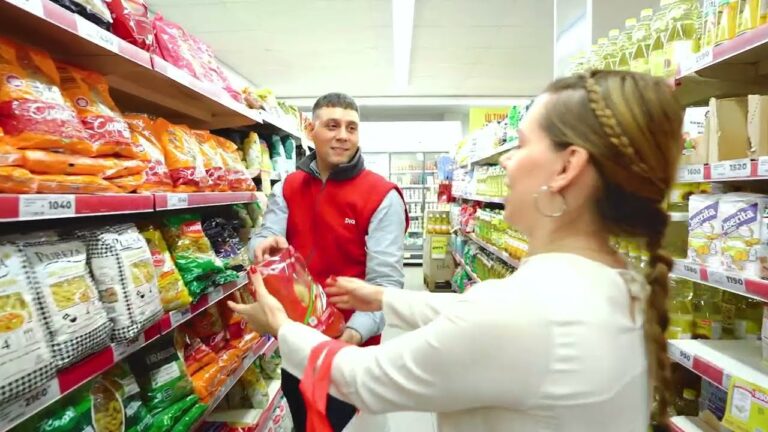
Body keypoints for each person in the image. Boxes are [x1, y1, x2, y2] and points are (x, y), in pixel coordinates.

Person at [232, 70, 681, 431]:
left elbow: (362, 380)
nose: (505, 159)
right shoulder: (619, 285)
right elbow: (474, 317)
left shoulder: (522, 311)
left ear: (567, 167)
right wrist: (387, 298)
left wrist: (279, 325)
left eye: (522, 144)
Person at [248, 92, 408, 432]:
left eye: (352, 127)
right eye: (332, 125)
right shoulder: (288, 187)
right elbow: (262, 235)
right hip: (297, 343)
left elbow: (386, 284)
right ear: (311, 130)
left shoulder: (381, 196)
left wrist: (350, 336)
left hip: (352, 350)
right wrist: (263, 245)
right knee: (304, 420)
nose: (343, 135)